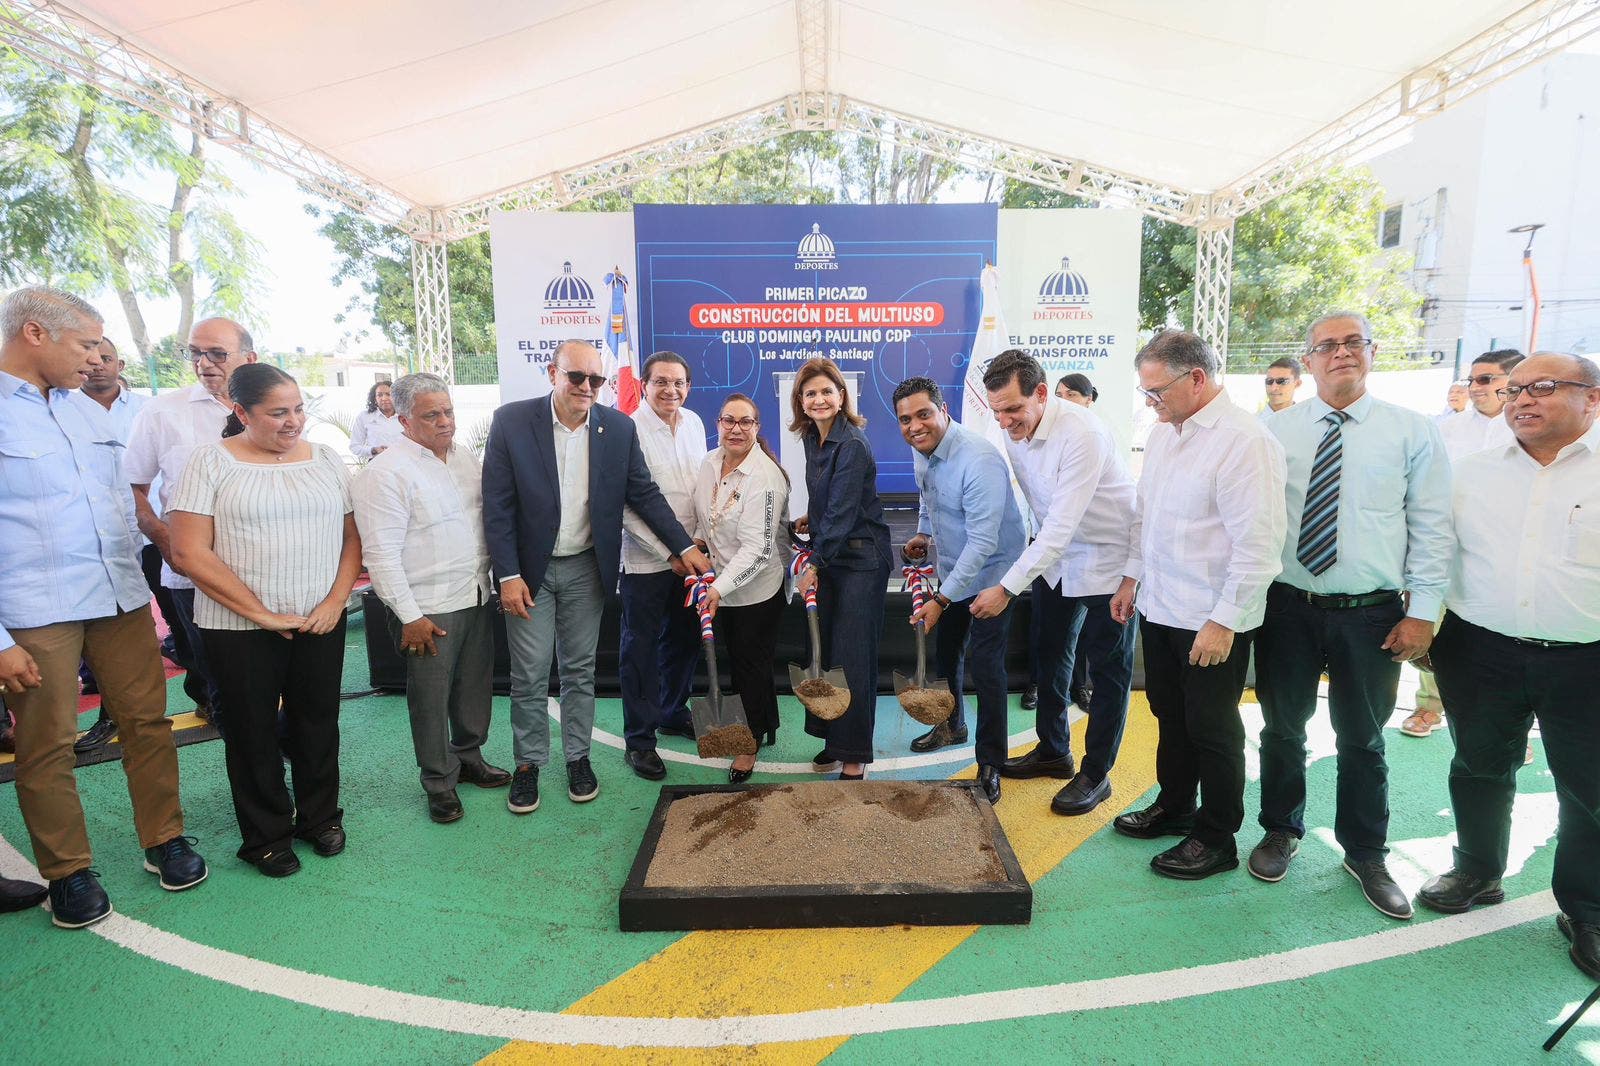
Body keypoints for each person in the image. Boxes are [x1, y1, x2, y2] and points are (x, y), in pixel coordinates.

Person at [0, 286, 207, 928]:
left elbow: (122, 505)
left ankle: (163, 839)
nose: (96, 359)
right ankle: (69, 872)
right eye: (86, 343)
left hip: (117, 598)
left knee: (147, 721)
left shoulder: (88, 412)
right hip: (35, 611)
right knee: (47, 743)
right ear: (36, 333)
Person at [1250, 311, 1451, 921]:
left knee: (1361, 737)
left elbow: (1433, 529)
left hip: (1371, 614)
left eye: (1352, 343)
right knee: (1282, 728)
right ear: (1307, 360)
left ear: (1372, 352)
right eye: (1326, 345)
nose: (1340, 353)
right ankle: (1281, 828)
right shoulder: (1275, 432)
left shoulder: (1412, 432)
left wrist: (1423, 613)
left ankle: (1365, 851)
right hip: (1287, 607)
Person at [1416, 352, 1600, 980]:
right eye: (1517, 388)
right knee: (1478, 765)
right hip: (1480, 650)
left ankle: (1587, 907)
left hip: (1586, 659)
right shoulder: (1469, 473)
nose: (1523, 399)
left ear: (1592, 399)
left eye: (1544, 388)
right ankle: (1477, 870)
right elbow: (1434, 553)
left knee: (1588, 787)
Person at [482, 340, 709, 815]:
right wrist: (507, 573)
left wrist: (684, 547)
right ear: (553, 374)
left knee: (580, 672)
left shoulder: (617, 428)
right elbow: (498, 506)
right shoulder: (512, 422)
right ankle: (528, 766)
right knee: (528, 676)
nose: (587, 387)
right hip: (528, 574)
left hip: (587, 568)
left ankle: (578, 759)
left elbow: (643, 494)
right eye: (576, 377)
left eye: (596, 380)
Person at [169, 364, 362, 877]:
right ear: (240, 412)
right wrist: (259, 613)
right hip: (238, 629)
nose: (292, 421)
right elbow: (188, 552)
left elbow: (351, 538)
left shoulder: (326, 459)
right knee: (251, 731)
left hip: (320, 620)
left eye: (298, 409)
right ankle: (266, 837)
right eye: (277, 412)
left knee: (317, 722)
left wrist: (335, 601)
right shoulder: (210, 463)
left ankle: (320, 819)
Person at [1110, 330, 1287, 880]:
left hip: (1211, 619)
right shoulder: (1167, 433)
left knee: (1212, 727)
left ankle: (1216, 836)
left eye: (1157, 391)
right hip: (1161, 606)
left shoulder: (1244, 441)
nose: (1150, 404)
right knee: (1169, 715)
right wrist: (1130, 578)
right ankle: (1176, 805)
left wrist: (1224, 621)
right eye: (1145, 393)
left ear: (1197, 379)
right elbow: (1148, 516)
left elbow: (1259, 545)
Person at [974, 351, 1139, 817]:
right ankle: (1054, 751)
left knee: (1108, 672)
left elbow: (1061, 524)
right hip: (1055, 562)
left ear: (1041, 394)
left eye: (1013, 409)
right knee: (1049, 657)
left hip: (1109, 562)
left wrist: (1005, 588)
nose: (1005, 422)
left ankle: (1096, 774)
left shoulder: (1082, 433)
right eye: (997, 411)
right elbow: (1040, 515)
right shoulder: (1014, 432)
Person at [353, 373, 510, 824]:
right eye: (431, 415)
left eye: (448, 411)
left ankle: (469, 757)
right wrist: (408, 616)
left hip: (476, 593)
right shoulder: (386, 473)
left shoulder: (465, 458)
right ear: (403, 420)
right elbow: (379, 554)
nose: (445, 422)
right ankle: (439, 781)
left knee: (473, 686)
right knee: (430, 697)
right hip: (425, 607)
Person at [125, 317, 258, 734]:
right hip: (194, 579)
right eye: (195, 352)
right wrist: (165, 541)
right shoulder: (163, 412)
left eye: (217, 353)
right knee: (227, 692)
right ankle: (258, 793)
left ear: (249, 358)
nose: (204, 363)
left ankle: (287, 774)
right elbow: (132, 490)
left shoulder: (273, 407)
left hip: (267, 573)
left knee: (277, 685)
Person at [895, 378, 1025, 803]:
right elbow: (927, 495)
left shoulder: (979, 459)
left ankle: (991, 763)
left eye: (923, 414)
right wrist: (923, 532)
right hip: (953, 572)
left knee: (987, 669)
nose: (915, 426)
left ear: (943, 409)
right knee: (948, 655)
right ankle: (952, 725)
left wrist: (941, 599)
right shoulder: (923, 450)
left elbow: (984, 542)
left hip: (992, 578)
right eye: (905, 419)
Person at [1403, 348, 1523, 739]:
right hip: (1446, 549)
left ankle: (1510, 730)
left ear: (1512, 381)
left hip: (1508, 554)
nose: (1475, 388)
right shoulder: (1447, 428)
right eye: (1472, 379)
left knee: (1505, 643)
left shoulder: (1526, 427)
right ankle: (1428, 708)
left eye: (1486, 379)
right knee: (1434, 632)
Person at [791, 357, 892, 781]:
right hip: (834, 553)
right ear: (801, 400)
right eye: (811, 392)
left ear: (842, 396)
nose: (819, 399)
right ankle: (835, 743)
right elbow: (828, 502)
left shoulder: (851, 443)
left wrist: (814, 560)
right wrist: (810, 521)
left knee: (852, 658)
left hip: (861, 561)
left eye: (827, 391)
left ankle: (854, 756)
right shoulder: (813, 439)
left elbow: (847, 508)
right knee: (830, 653)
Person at [692, 394, 791, 782]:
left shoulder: (765, 477)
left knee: (749, 665)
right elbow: (706, 516)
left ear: (756, 428)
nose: (735, 428)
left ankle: (746, 747)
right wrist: (698, 542)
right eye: (728, 420)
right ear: (718, 423)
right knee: (749, 661)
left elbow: (760, 549)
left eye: (745, 422)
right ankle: (765, 723)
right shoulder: (709, 462)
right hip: (721, 581)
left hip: (756, 590)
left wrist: (718, 588)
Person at [618, 352, 707, 781]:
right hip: (646, 563)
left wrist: (699, 545)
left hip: (693, 559)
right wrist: (669, 554)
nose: (671, 390)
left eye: (679, 382)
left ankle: (672, 710)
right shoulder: (627, 430)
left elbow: (701, 488)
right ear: (644, 385)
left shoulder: (694, 423)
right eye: (661, 383)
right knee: (640, 650)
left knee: (685, 641)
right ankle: (639, 739)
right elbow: (627, 507)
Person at [72, 336, 151, 751]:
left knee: (175, 627)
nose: (97, 364)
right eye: (90, 356)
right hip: (92, 552)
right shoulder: (62, 410)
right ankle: (107, 715)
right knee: (97, 641)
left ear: (120, 362)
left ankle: (204, 695)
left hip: (151, 537)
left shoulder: (147, 410)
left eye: (105, 357)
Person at [349, 380, 404, 460]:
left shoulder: (405, 416)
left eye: (388, 394)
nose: (384, 398)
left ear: (396, 397)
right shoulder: (364, 417)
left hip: (404, 465)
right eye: (379, 395)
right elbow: (354, 446)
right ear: (375, 399)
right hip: (377, 465)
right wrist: (373, 450)